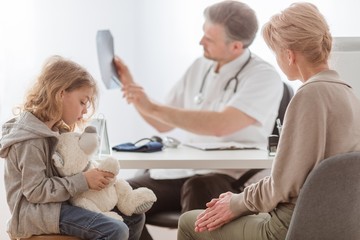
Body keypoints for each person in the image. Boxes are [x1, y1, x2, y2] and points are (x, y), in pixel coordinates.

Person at [177, 2, 360, 240]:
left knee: (190, 222)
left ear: (289, 54)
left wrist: (237, 203)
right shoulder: (350, 95)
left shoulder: (308, 95)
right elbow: (297, 176)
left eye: (276, 52)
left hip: (291, 225)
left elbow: (283, 186)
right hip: (339, 224)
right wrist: (239, 199)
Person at [115, 1, 283, 239]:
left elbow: (220, 125)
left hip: (230, 177)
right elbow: (162, 122)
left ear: (236, 46)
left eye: (209, 38)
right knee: (119, 194)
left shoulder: (263, 77)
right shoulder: (199, 65)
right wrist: (134, 91)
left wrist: (152, 106)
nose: (200, 42)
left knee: (199, 187)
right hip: (182, 171)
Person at [0, 56, 145, 240]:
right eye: (82, 101)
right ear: (60, 94)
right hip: (37, 215)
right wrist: (83, 180)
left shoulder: (54, 130)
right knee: (117, 230)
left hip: (59, 205)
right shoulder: (31, 139)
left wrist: (94, 176)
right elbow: (36, 191)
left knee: (134, 217)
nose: (85, 110)